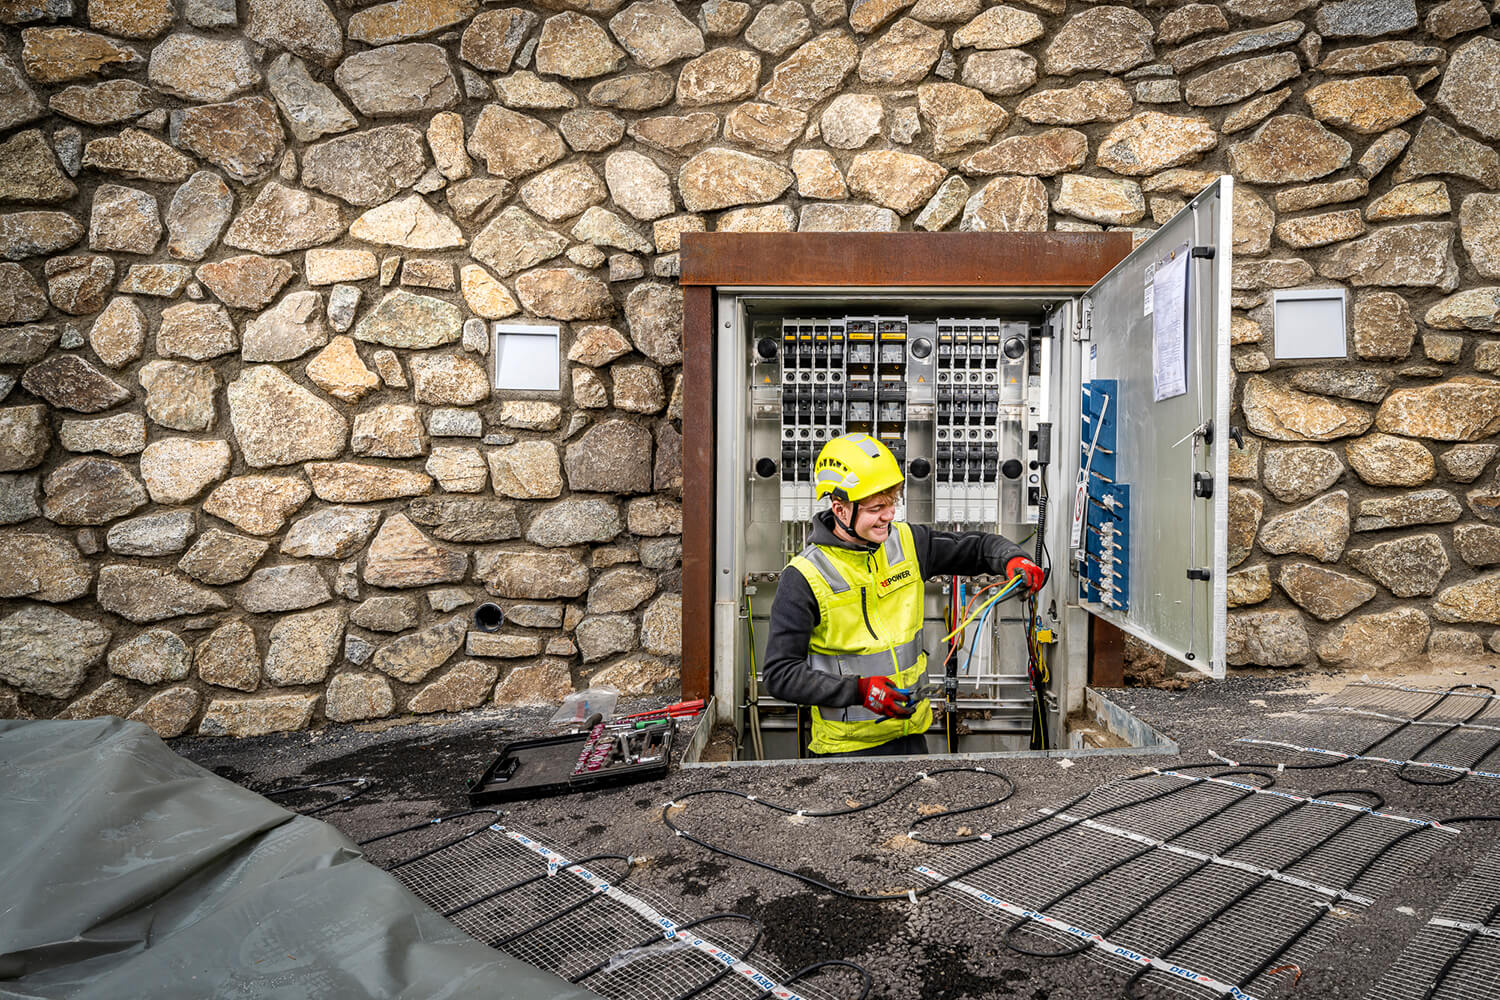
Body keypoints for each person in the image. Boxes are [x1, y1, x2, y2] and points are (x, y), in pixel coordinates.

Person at [761, 433, 1045, 757]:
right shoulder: (804, 577)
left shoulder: (908, 543)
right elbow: (780, 675)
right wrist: (858, 691)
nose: (889, 515)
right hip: (843, 753)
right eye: (876, 508)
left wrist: (1011, 558)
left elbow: (978, 547)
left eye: (892, 502)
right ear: (840, 509)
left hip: (911, 739)